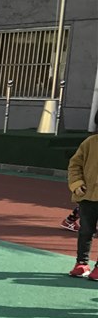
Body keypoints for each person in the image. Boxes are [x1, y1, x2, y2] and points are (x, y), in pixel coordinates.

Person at [67, 113, 98, 279]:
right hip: (88, 197)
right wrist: (77, 184)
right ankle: (81, 264)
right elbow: (74, 165)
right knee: (86, 231)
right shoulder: (90, 143)